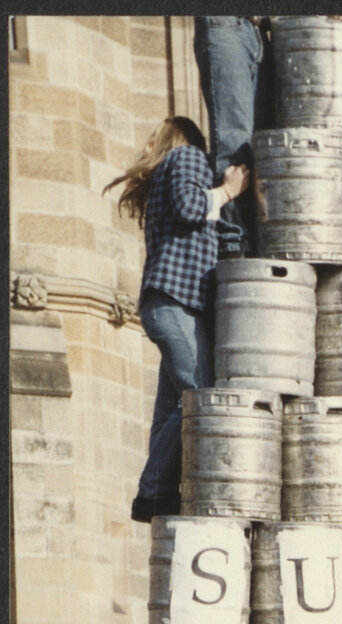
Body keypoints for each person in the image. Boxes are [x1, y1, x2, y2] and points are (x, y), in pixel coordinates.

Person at [104, 117, 250, 523]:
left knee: (171, 405)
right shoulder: (186, 158)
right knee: (199, 397)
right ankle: (151, 491)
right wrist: (227, 190)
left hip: (166, 304)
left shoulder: (165, 173)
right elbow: (190, 207)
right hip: (175, 302)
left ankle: (161, 494)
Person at [193, 15, 271, 260]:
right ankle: (235, 243)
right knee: (235, 142)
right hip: (226, 21)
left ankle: (257, 238)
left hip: (261, 31)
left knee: (266, 146)